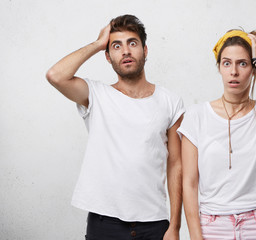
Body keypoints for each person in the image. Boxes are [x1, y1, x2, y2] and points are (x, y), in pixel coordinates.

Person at [46, 15, 184, 240]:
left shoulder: (170, 101)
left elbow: (176, 164)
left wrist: (175, 227)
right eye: (116, 46)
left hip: (154, 223)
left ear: (145, 50)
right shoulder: (96, 95)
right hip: (104, 223)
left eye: (132, 43)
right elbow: (55, 76)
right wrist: (98, 44)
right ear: (108, 57)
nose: (126, 51)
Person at [179, 29, 256, 239]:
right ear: (219, 67)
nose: (234, 72)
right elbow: (189, 184)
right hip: (212, 225)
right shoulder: (197, 116)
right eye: (227, 63)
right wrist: (195, 236)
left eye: (243, 63)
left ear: (254, 70)